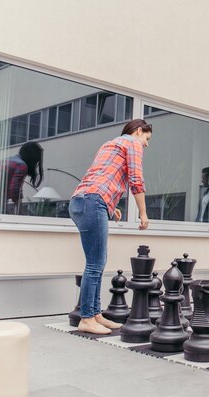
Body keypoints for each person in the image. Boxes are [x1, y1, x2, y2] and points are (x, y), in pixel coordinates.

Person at [69, 119, 152, 335]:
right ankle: (87, 318)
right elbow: (136, 180)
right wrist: (143, 213)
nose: (146, 144)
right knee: (95, 263)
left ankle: (95, 314)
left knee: (96, 262)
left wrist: (109, 205)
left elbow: (100, 175)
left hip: (80, 201)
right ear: (138, 131)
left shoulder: (109, 144)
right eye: (147, 138)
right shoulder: (132, 143)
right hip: (92, 201)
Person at [0, 141, 44, 214]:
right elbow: (14, 189)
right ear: (32, 159)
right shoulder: (21, 165)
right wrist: (20, 210)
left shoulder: (6, 160)